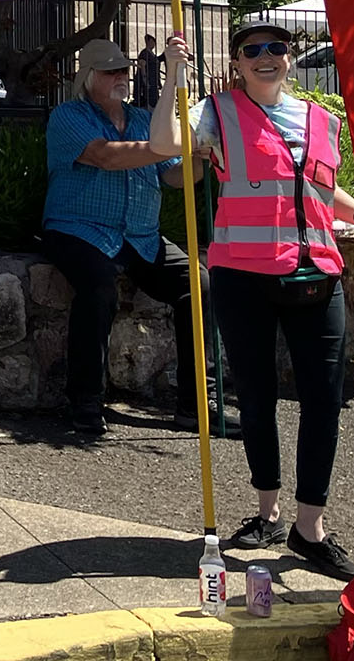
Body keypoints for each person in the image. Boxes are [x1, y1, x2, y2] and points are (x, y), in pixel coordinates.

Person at [150, 21, 354, 579]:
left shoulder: (323, 119)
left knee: (324, 400)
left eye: (277, 48)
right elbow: (161, 145)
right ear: (238, 63)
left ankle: (309, 528)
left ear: (291, 59)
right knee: (257, 396)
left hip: (316, 275)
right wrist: (173, 71)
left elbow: (324, 191)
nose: (266, 57)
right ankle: (268, 511)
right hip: (244, 277)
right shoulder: (213, 113)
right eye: (253, 51)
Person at [41, 36, 235, 438]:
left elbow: (175, 178)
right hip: (79, 230)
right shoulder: (67, 115)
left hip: (141, 235)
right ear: (88, 76)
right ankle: (86, 401)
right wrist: (170, 146)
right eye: (110, 70)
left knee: (201, 289)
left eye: (123, 70)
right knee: (98, 290)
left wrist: (199, 157)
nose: (121, 77)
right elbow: (107, 156)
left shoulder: (146, 120)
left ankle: (199, 403)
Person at [135, 34, 162, 108]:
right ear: (149, 42)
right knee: (149, 99)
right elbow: (142, 67)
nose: (154, 44)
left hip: (154, 79)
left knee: (154, 98)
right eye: (153, 42)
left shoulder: (152, 53)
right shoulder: (144, 53)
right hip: (149, 80)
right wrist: (145, 80)